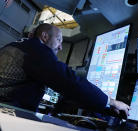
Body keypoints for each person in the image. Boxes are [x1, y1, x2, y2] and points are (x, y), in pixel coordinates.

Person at [0, 23, 130, 117]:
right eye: (59, 40)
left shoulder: (19, 45)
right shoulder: (36, 50)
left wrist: (106, 108)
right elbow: (69, 82)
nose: (61, 47)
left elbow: (67, 89)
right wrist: (111, 101)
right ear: (45, 36)